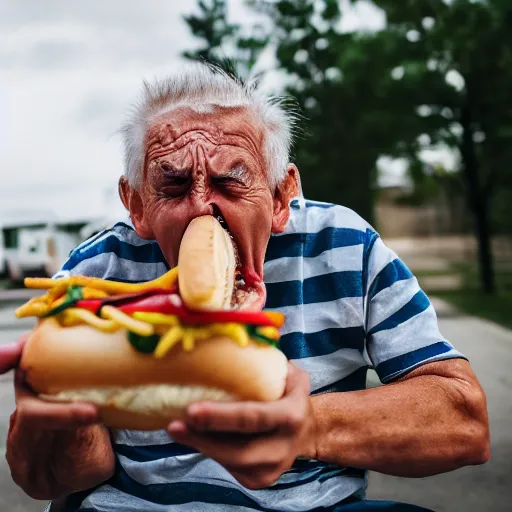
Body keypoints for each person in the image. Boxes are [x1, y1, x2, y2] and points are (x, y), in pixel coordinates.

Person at [3, 63, 490, 512]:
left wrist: (308, 425)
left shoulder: (345, 247)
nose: (201, 209)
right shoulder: (90, 277)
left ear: (281, 196)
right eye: (172, 188)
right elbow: (48, 481)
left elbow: (463, 422)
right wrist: (66, 413)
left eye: (229, 184)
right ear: (136, 205)